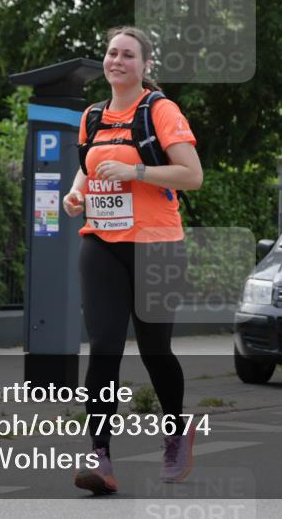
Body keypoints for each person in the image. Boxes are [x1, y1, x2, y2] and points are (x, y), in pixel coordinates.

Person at [62, 26, 203, 494]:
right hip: (101, 243)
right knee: (103, 347)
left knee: (154, 350)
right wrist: (75, 193)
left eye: (127, 54)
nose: (117, 60)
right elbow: (87, 167)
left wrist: (135, 170)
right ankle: (100, 459)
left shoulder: (160, 111)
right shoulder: (92, 116)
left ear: (144, 66)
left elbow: (191, 175)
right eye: (111, 53)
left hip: (156, 244)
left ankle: (176, 433)